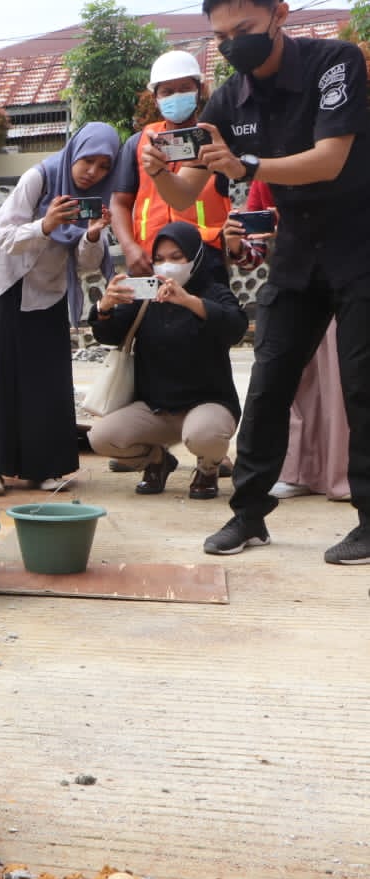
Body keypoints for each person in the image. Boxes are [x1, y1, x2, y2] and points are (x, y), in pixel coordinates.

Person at [149, 0, 370, 561]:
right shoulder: (226, 100)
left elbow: (330, 160)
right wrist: (160, 172)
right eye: (221, 37)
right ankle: (248, 516)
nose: (233, 45)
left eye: (244, 30)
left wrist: (246, 166)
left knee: (362, 383)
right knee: (269, 382)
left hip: (360, 244)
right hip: (297, 254)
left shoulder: (335, 63)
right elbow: (186, 194)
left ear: (280, 15)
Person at [0, 122, 119, 498]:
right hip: (7, 284)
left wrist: (92, 233)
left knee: (48, 379)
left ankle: (47, 467)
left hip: (50, 289)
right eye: (88, 161)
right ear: (75, 153)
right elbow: (4, 237)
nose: (94, 172)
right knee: (0, 374)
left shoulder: (100, 196)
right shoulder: (38, 178)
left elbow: (87, 263)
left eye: (105, 166)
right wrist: (45, 224)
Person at [87, 221, 247, 499]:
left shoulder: (213, 291)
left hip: (207, 404)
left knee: (204, 436)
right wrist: (104, 307)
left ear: (195, 258)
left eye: (176, 257)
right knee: (100, 437)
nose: (166, 266)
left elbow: (235, 327)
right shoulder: (146, 295)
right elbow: (110, 334)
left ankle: (208, 468)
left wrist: (188, 301)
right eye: (159, 259)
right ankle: (156, 462)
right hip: (155, 408)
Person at [229, 182, 349, 502]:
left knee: (341, 381)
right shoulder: (265, 172)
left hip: (345, 283)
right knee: (292, 384)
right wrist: (238, 246)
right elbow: (253, 253)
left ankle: (345, 475)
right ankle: (298, 471)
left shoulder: (344, 154)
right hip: (293, 286)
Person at [109, 50, 233, 286]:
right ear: (155, 97)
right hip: (150, 260)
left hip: (205, 257)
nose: (176, 96)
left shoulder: (215, 140)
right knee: (154, 322)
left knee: (207, 320)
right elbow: (119, 202)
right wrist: (129, 248)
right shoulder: (138, 144)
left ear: (200, 90)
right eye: (167, 91)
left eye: (185, 88)